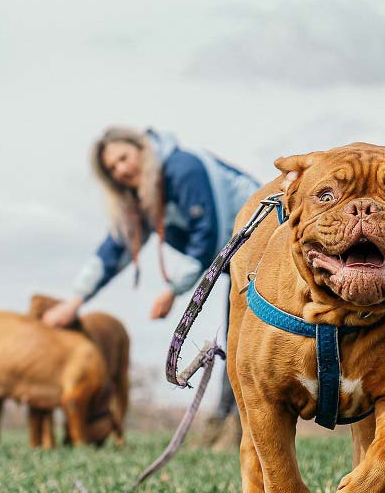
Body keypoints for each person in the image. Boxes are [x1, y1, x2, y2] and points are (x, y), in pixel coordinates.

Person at [43, 126, 260, 425]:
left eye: (123, 158)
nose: (120, 170)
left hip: (265, 246)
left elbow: (207, 235)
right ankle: (228, 420)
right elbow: (115, 249)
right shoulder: (145, 197)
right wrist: (75, 300)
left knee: (243, 336)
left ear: (142, 149)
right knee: (238, 336)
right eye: (112, 168)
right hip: (238, 262)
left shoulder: (183, 169)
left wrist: (173, 290)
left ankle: (233, 421)